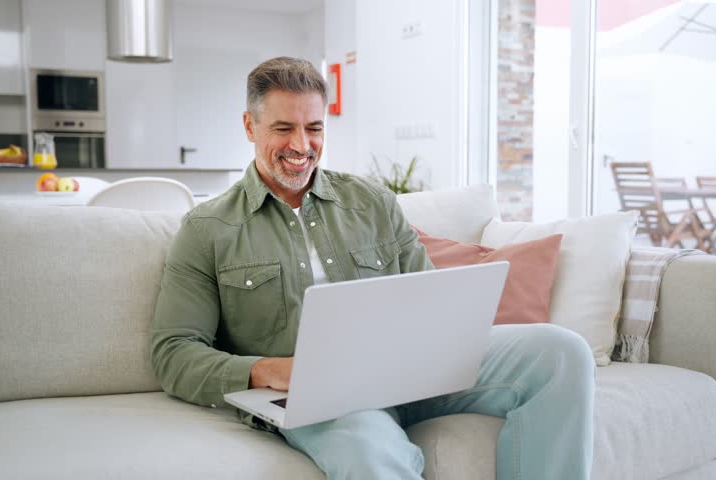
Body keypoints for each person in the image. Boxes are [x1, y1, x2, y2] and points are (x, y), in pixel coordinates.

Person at [150, 56, 595, 479]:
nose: (301, 146)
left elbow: (429, 297)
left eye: (314, 128)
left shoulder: (372, 201)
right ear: (249, 125)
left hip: (414, 367)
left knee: (560, 352)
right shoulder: (208, 228)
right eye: (283, 128)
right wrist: (267, 369)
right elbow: (173, 353)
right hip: (320, 398)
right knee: (371, 454)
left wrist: (445, 330)